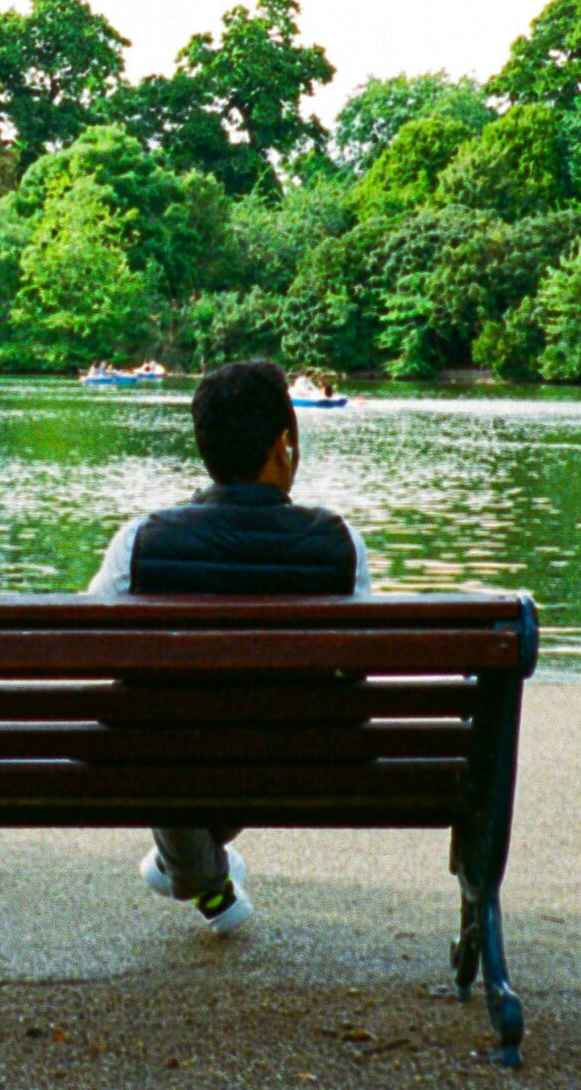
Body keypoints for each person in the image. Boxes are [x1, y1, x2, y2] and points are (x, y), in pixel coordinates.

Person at [84, 357, 371, 935]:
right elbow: (358, 670)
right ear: (284, 445)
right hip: (295, 763)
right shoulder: (340, 544)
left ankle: (195, 870)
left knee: (153, 725)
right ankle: (196, 870)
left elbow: (90, 649)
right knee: (223, 730)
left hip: (173, 760)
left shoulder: (140, 541)